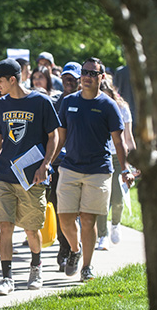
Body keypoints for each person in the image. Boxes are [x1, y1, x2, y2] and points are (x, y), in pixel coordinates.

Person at [53, 57, 135, 283]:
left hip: (98, 170)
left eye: (92, 73)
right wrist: (47, 163)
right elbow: (60, 137)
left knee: (88, 220)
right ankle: (75, 249)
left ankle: (87, 266)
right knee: (65, 219)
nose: (87, 77)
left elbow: (118, 142)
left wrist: (125, 169)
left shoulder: (108, 105)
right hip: (69, 167)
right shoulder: (68, 102)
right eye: (84, 72)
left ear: (101, 77)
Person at [0, 58, 60, 295]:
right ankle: (7, 278)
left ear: (13, 80)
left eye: (0, 81)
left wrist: (45, 165)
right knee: (5, 226)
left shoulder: (41, 102)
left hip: (31, 177)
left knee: (30, 229)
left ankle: (36, 268)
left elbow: (53, 137)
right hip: (5, 175)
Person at [96, 74, 136, 249]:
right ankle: (102, 234)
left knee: (118, 197)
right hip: (101, 157)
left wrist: (134, 162)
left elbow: (128, 137)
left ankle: (115, 224)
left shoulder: (122, 108)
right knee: (102, 198)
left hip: (119, 157)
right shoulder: (95, 107)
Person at [50, 62, 81, 271]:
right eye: (65, 78)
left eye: (73, 78)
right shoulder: (54, 102)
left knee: (80, 212)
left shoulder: (86, 102)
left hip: (82, 163)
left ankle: (77, 250)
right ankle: (65, 248)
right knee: (62, 210)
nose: (68, 81)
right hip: (58, 163)